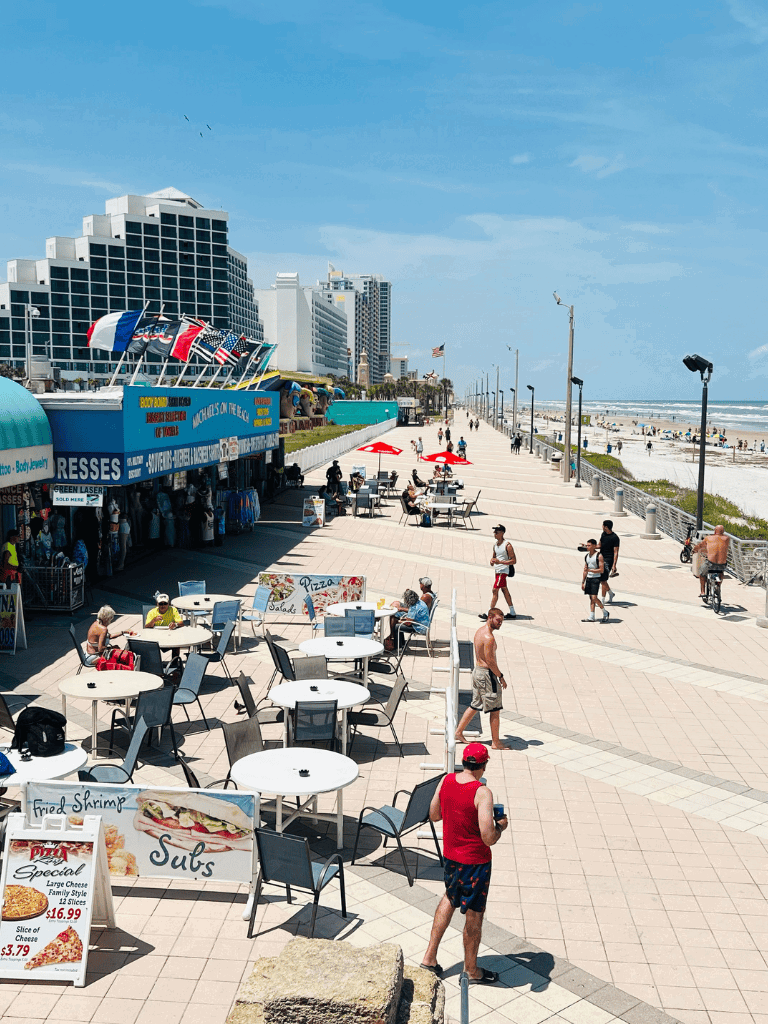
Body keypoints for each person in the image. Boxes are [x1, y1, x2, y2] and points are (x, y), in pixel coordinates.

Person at [420, 742, 508, 984]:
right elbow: (488, 837)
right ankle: (471, 970)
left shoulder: (446, 780)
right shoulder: (482, 792)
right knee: (474, 914)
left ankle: (429, 958)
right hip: (475, 863)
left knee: (449, 898)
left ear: (464, 762)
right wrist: (500, 826)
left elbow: (434, 815)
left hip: (451, 857)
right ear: (483, 765)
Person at [456, 610, 508, 749]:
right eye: (498, 620)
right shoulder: (489, 637)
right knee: (495, 709)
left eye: (502, 621)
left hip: (478, 672)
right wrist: (500, 676)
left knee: (475, 704)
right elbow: (490, 661)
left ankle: (458, 732)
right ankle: (496, 742)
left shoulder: (480, 631)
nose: (500, 623)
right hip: (486, 675)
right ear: (490, 617)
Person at [479, 525, 516, 621]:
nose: (494, 533)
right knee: (504, 590)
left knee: (495, 590)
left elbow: (514, 560)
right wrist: (492, 561)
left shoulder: (507, 545)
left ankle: (488, 613)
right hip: (497, 571)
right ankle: (512, 612)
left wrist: (501, 562)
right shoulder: (495, 545)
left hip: (503, 571)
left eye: (497, 532)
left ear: (502, 533)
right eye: (494, 532)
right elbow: (494, 557)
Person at [693, 524, 730, 598]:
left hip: (711, 563)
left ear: (715, 531)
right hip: (722, 564)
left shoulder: (708, 538)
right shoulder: (727, 538)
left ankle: (702, 592)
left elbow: (700, 546)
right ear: (723, 531)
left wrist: (694, 550)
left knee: (702, 574)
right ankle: (718, 585)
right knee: (721, 571)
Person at [582, 539, 608, 622]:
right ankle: (592, 616)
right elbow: (585, 570)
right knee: (591, 598)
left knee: (594, 597)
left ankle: (605, 612)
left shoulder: (599, 556)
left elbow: (601, 570)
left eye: (589, 545)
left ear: (594, 546)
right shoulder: (587, 556)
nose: (587, 547)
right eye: (587, 545)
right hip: (588, 578)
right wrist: (583, 582)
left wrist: (591, 570)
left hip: (596, 578)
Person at [596, 519, 620, 604]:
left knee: (603, 579)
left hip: (609, 560)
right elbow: (599, 545)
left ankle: (602, 600)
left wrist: (614, 565)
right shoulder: (603, 534)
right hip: (601, 558)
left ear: (606, 527)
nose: (602, 527)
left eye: (603, 525)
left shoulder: (615, 538)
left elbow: (616, 552)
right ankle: (611, 593)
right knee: (602, 579)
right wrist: (589, 547)